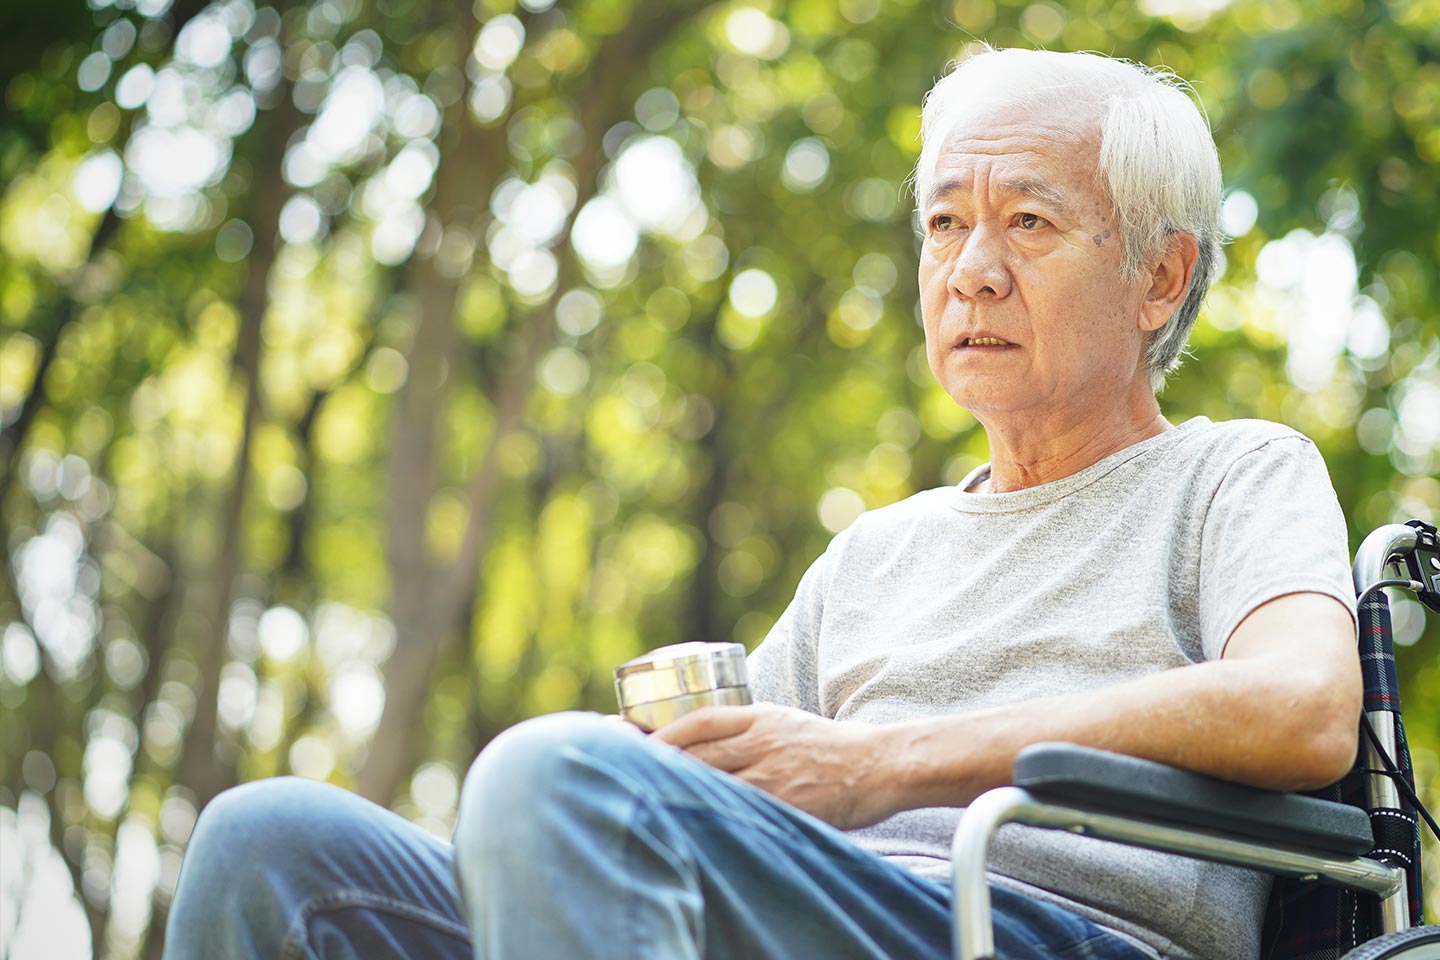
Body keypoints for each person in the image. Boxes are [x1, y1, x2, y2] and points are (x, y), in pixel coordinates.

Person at [163, 47, 1361, 960]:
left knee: (556, 774)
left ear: (1161, 275)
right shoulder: (876, 554)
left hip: (1050, 928)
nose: (970, 269)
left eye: (1029, 222)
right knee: (268, 843)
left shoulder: (1233, 473)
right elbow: (745, 794)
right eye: (945, 223)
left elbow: (1303, 707)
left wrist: (887, 763)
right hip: (832, 916)